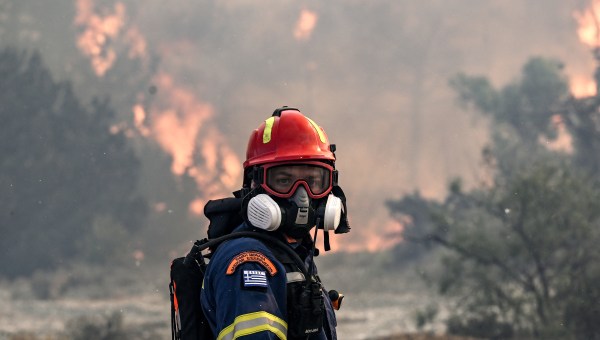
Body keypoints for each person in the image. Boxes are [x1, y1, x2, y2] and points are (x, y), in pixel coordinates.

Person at [200, 106, 350, 340]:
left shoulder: (290, 251)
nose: (302, 195)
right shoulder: (249, 262)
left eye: (313, 181)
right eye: (283, 180)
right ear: (253, 184)